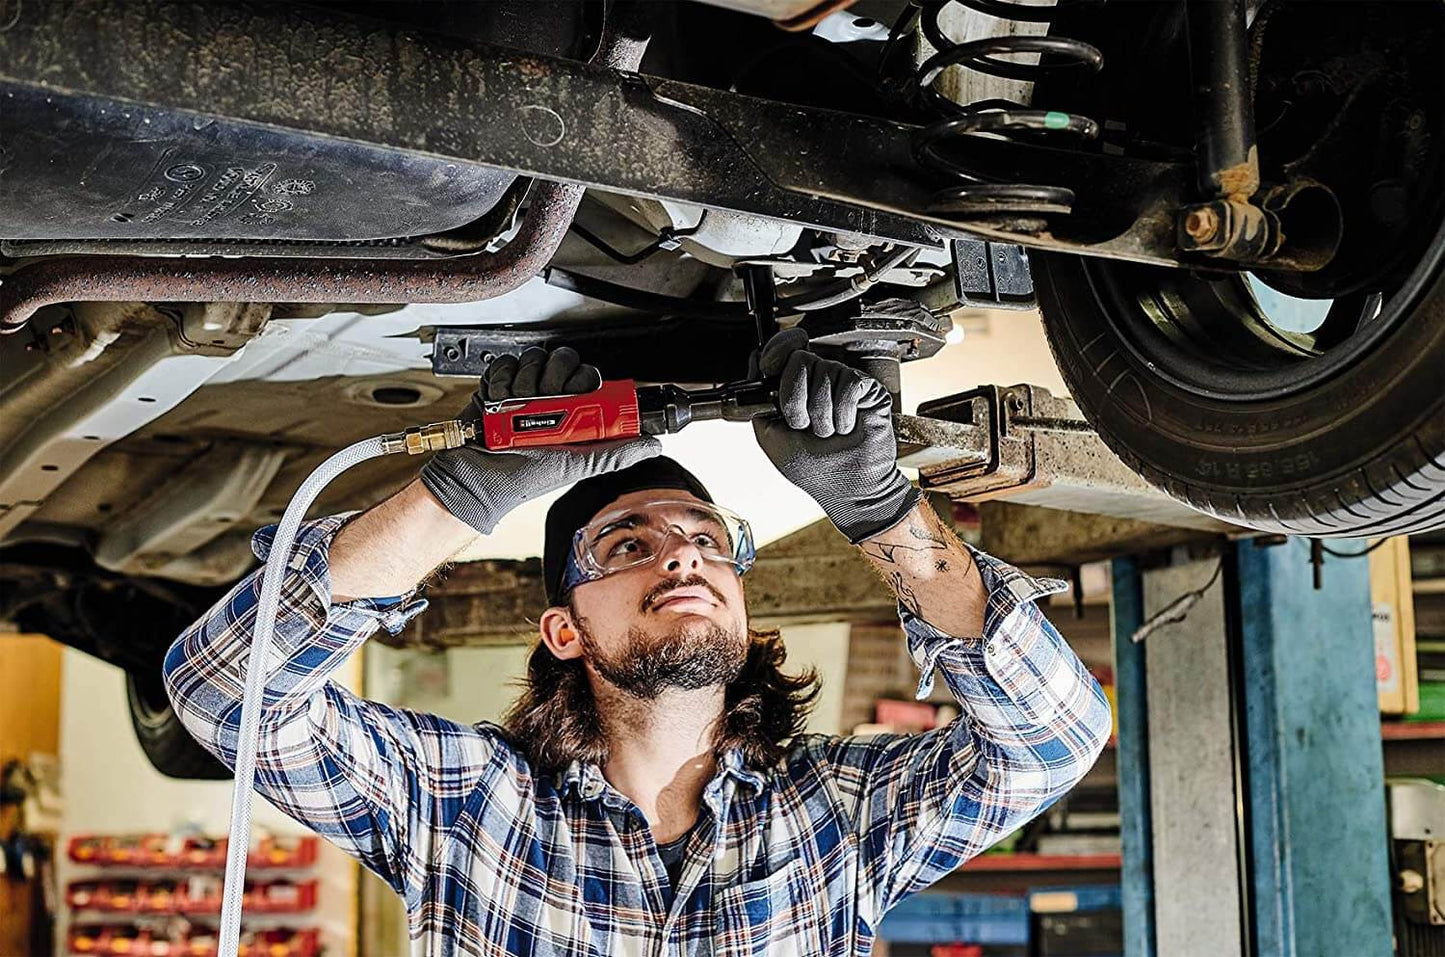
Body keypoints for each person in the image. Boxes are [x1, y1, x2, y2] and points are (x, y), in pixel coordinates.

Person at [165, 331, 1111, 956]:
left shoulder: (840, 812)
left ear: (741, 602)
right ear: (564, 629)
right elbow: (223, 693)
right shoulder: (464, 803)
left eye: (706, 538)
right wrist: (463, 492)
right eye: (628, 544)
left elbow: (1053, 737)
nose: (682, 554)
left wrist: (879, 507)